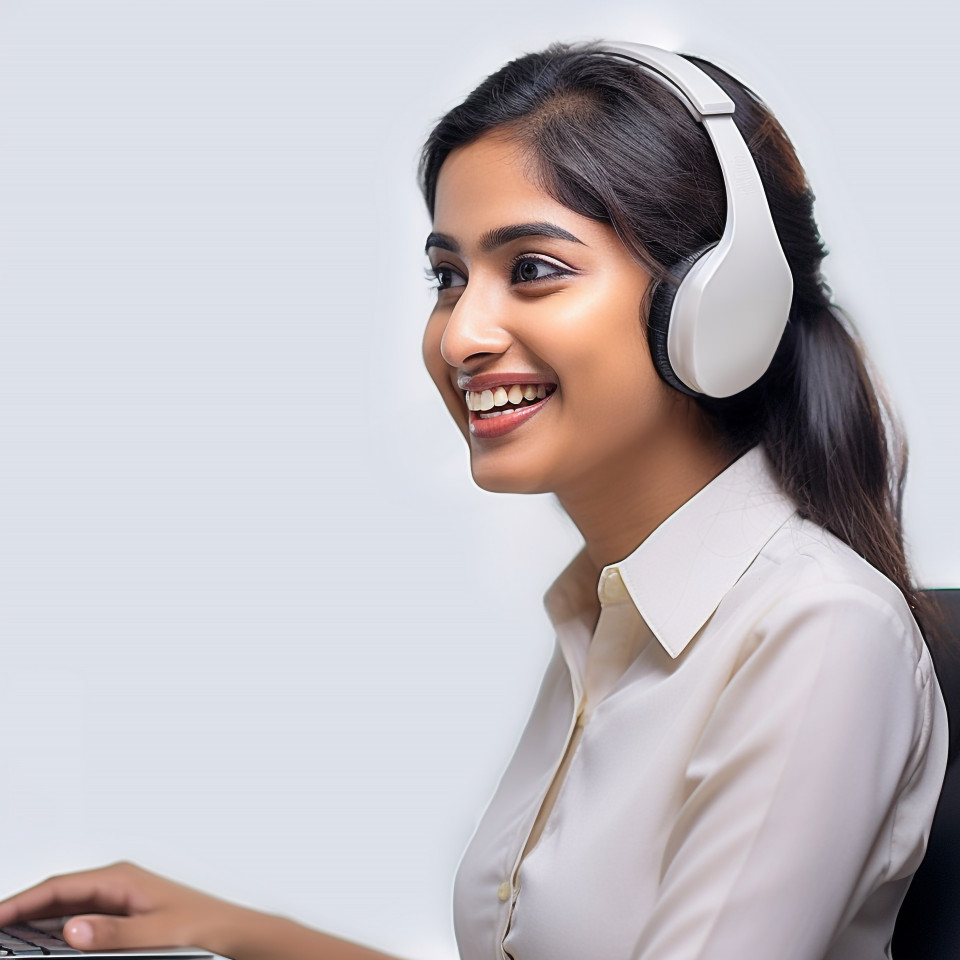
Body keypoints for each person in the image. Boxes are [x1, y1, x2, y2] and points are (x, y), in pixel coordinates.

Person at [0, 40, 948, 960]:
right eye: (448, 278)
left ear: (719, 302)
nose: (460, 337)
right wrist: (229, 932)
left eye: (531, 268)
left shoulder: (815, 631)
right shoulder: (610, 614)